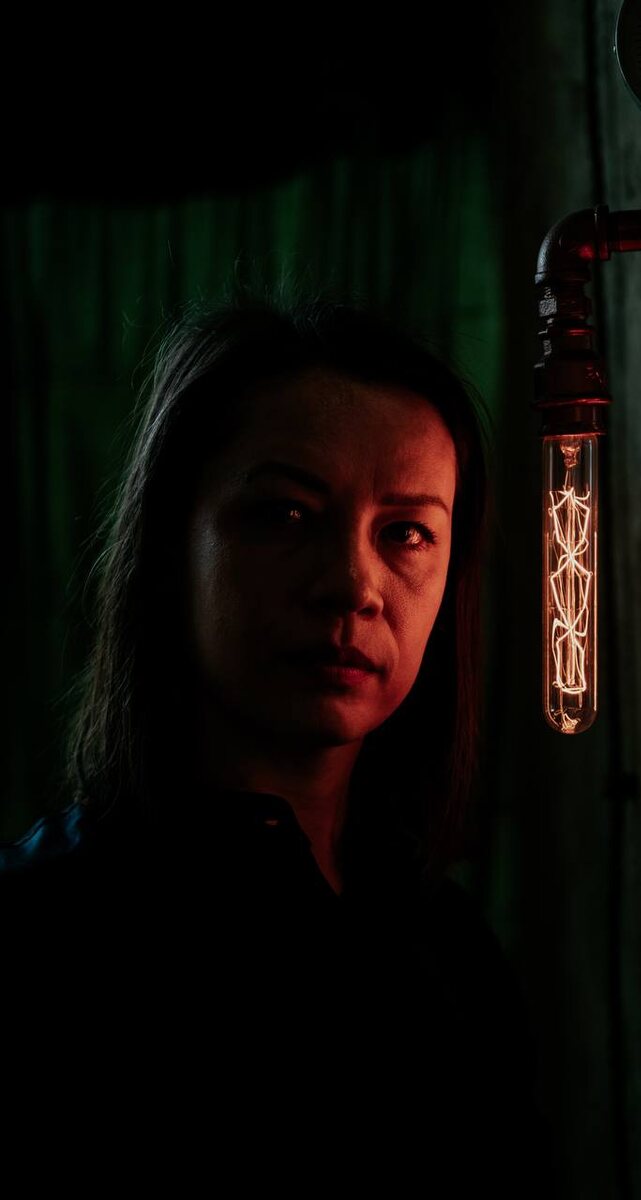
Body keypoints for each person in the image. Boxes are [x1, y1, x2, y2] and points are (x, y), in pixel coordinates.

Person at [2, 288, 536, 1164]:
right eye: (285, 514)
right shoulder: (45, 938)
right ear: (173, 544)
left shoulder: (449, 952)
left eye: (407, 532)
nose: (353, 586)